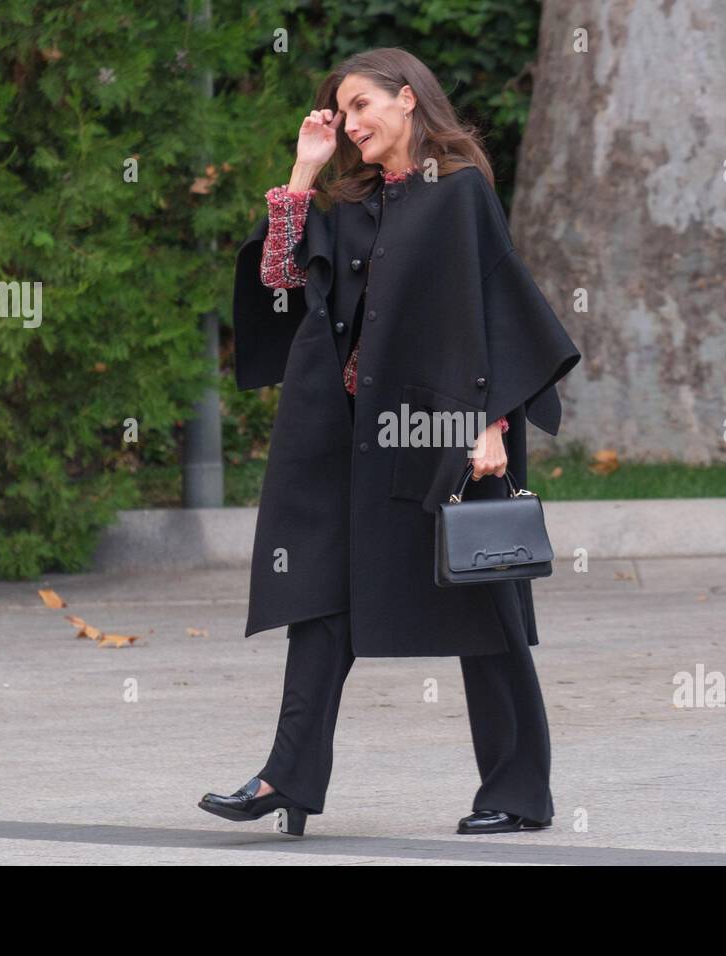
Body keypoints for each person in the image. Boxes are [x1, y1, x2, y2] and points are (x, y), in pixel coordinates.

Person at [199, 47, 580, 836]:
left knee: (487, 609)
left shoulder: (460, 193)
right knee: (321, 601)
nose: (352, 124)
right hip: (349, 438)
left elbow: (490, 308)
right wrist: (303, 175)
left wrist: (490, 423)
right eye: (342, 113)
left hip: (444, 430)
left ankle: (517, 792)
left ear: (408, 101)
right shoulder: (353, 202)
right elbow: (281, 285)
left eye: (364, 106)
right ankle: (286, 778)